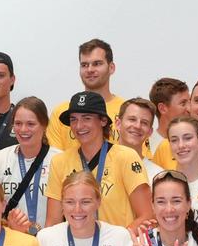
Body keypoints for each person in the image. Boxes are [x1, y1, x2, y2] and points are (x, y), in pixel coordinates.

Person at [43, 91, 151, 229]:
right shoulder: (59, 161)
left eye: (86, 118)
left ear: (103, 120)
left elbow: (147, 215)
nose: (79, 126)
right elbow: (53, 223)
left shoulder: (125, 157)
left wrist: (118, 242)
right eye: (73, 119)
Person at [0, 96, 54, 233]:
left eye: (31, 124)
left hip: (50, 243)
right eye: (18, 123)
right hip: (11, 243)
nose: (23, 130)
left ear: (44, 125)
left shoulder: (59, 160)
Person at [45, 39, 124, 149]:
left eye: (97, 64)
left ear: (111, 68)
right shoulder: (61, 112)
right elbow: (55, 161)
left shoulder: (126, 110)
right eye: (84, 65)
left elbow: (138, 159)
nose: (90, 69)